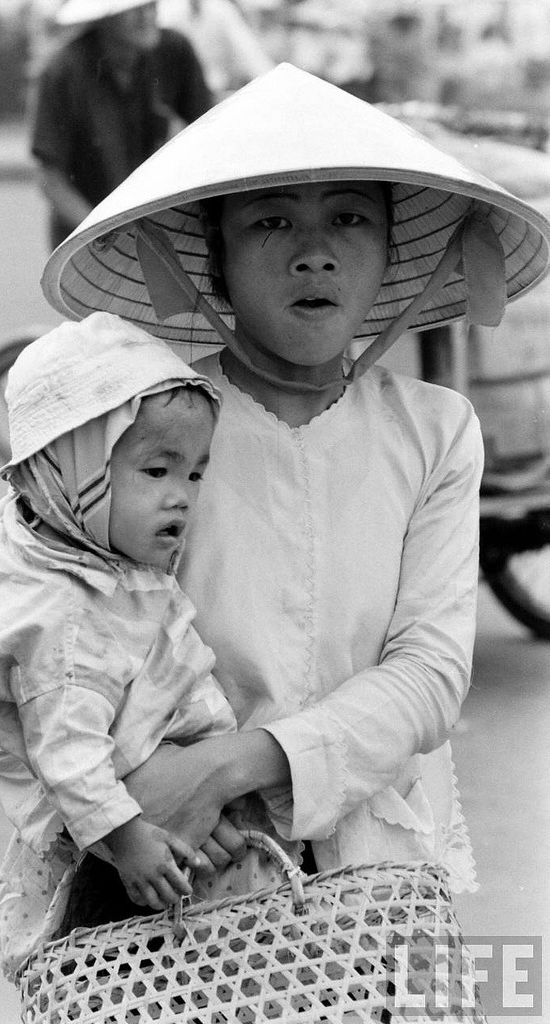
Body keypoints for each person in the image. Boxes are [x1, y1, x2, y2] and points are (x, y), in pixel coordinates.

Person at [38, 61, 550, 954]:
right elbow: (57, 630)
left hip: (371, 873)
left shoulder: (435, 431)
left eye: (348, 219)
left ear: (390, 255)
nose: (313, 253)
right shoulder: (144, 428)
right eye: (270, 222)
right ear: (216, 261)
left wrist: (228, 765)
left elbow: (429, 674)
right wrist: (139, 783)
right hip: (167, 871)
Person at [0, 314, 244, 976]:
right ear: (68, 472)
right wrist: (129, 844)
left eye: (194, 474)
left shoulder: (84, 551)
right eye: (156, 470)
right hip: (130, 857)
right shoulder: (62, 618)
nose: (181, 498)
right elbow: (67, 750)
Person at [29, 0, 212, 248]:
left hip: (155, 230)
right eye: (134, 9)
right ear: (104, 17)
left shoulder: (173, 51)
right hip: (86, 237)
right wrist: (100, 232)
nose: (146, 15)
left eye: (151, 5)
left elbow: (209, 134)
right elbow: (51, 178)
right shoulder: (64, 70)